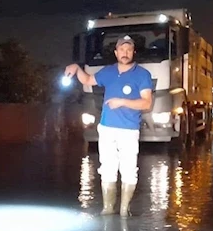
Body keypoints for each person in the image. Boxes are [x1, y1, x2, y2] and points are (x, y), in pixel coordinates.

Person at [64, 35, 153, 217]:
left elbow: (146, 103)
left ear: (133, 52)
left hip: (129, 130)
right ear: (116, 52)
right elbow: (88, 80)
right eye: (122, 49)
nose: (125, 53)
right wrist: (76, 68)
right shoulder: (108, 71)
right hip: (106, 128)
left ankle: (123, 209)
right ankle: (108, 208)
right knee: (107, 168)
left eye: (128, 50)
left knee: (128, 170)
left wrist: (122, 101)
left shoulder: (142, 74)